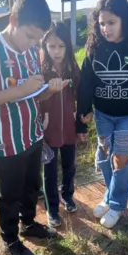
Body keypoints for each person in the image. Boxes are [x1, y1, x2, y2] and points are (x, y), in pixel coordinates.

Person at [0, 0, 68, 255]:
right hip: (7, 140)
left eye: (38, 40)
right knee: (9, 193)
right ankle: (10, 238)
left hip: (33, 134)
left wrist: (49, 91)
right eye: (30, 37)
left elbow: (34, 95)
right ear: (13, 20)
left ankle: (29, 224)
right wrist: (20, 90)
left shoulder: (32, 53)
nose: (34, 44)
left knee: (30, 186)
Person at [76, 0, 128, 229]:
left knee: (121, 159)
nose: (105, 28)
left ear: (125, 20)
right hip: (103, 115)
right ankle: (109, 196)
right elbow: (86, 85)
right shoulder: (93, 49)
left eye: (111, 23)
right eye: (101, 23)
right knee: (104, 158)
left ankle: (117, 204)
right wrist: (82, 115)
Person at [38, 22, 80, 227]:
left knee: (69, 167)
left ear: (68, 47)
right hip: (48, 132)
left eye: (61, 46)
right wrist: (40, 127)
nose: (56, 51)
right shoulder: (41, 70)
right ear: (45, 46)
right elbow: (35, 100)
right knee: (50, 171)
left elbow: (80, 94)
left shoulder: (73, 68)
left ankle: (68, 196)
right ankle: (52, 208)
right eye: (52, 46)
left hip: (70, 130)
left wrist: (82, 122)